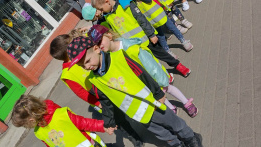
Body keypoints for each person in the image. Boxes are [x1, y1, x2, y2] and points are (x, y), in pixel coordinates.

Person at [66, 36, 203, 147]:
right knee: (161, 133)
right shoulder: (94, 80)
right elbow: (105, 101)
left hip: (151, 104)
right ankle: (176, 144)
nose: (87, 66)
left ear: (96, 49)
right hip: (136, 113)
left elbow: (142, 74)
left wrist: (158, 93)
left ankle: (191, 137)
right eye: (82, 65)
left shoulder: (119, 57)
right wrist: (108, 123)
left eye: (88, 61)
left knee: (174, 123)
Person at [49, 31, 145, 147]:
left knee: (129, 103)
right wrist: (97, 103)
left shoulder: (84, 50)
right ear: (69, 51)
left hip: (110, 81)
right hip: (99, 94)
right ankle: (134, 136)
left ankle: (143, 119)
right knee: (119, 119)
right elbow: (80, 92)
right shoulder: (67, 74)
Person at [88, 24, 198, 117]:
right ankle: (171, 108)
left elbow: (149, 63)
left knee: (167, 88)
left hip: (151, 73)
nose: (99, 45)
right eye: (96, 44)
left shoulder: (130, 47)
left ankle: (186, 102)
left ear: (109, 35)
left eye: (100, 41)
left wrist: (159, 77)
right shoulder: (110, 57)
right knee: (158, 95)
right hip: (141, 80)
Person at [91, 0, 192, 77]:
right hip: (133, 47)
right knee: (149, 63)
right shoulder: (107, 16)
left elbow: (142, 19)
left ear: (107, 1)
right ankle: (164, 76)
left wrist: (151, 34)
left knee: (163, 55)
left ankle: (179, 66)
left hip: (146, 39)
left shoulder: (125, 4)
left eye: (101, 9)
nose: (101, 12)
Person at [111, 0, 194, 58]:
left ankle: (183, 41)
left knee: (172, 27)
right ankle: (167, 51)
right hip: (148, 20)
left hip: (158, 13)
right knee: (160, 36)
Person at [11, 95, 113, 147]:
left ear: (31, 119)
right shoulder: (39, 132)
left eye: (25, 125)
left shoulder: (61, 115)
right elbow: (50, 144)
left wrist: (104, 126)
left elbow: (84, 123)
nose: (26, 127)